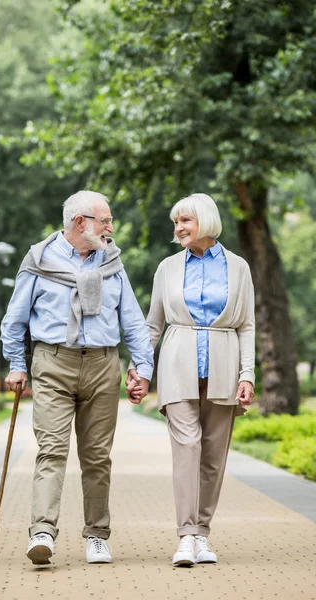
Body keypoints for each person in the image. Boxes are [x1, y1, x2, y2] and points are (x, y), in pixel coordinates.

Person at [1, 190, 153, 565]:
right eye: (106, 221)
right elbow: (15, 319)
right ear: (80, 222)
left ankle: (97, 535)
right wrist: (16, 364)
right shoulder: (39, 259)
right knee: (52, 449)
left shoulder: (112, 262)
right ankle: (42, 532)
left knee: (97, 457)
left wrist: (143, 369)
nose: (111, 228)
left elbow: (132, 321)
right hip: (53, 363)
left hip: (103, 365)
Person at [127, 193, 255, 566]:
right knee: (188, 448)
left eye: (185, 221)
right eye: (176, 222)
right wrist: (141, 371)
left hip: (225, 363)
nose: (178, 228)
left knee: (213, 456)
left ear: (206, 221)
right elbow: (153, 325)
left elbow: (246, 325)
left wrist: (247, 374)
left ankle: (202, 534)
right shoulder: (167, 267)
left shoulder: (239, 267)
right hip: (177, 362)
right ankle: (186, 536)